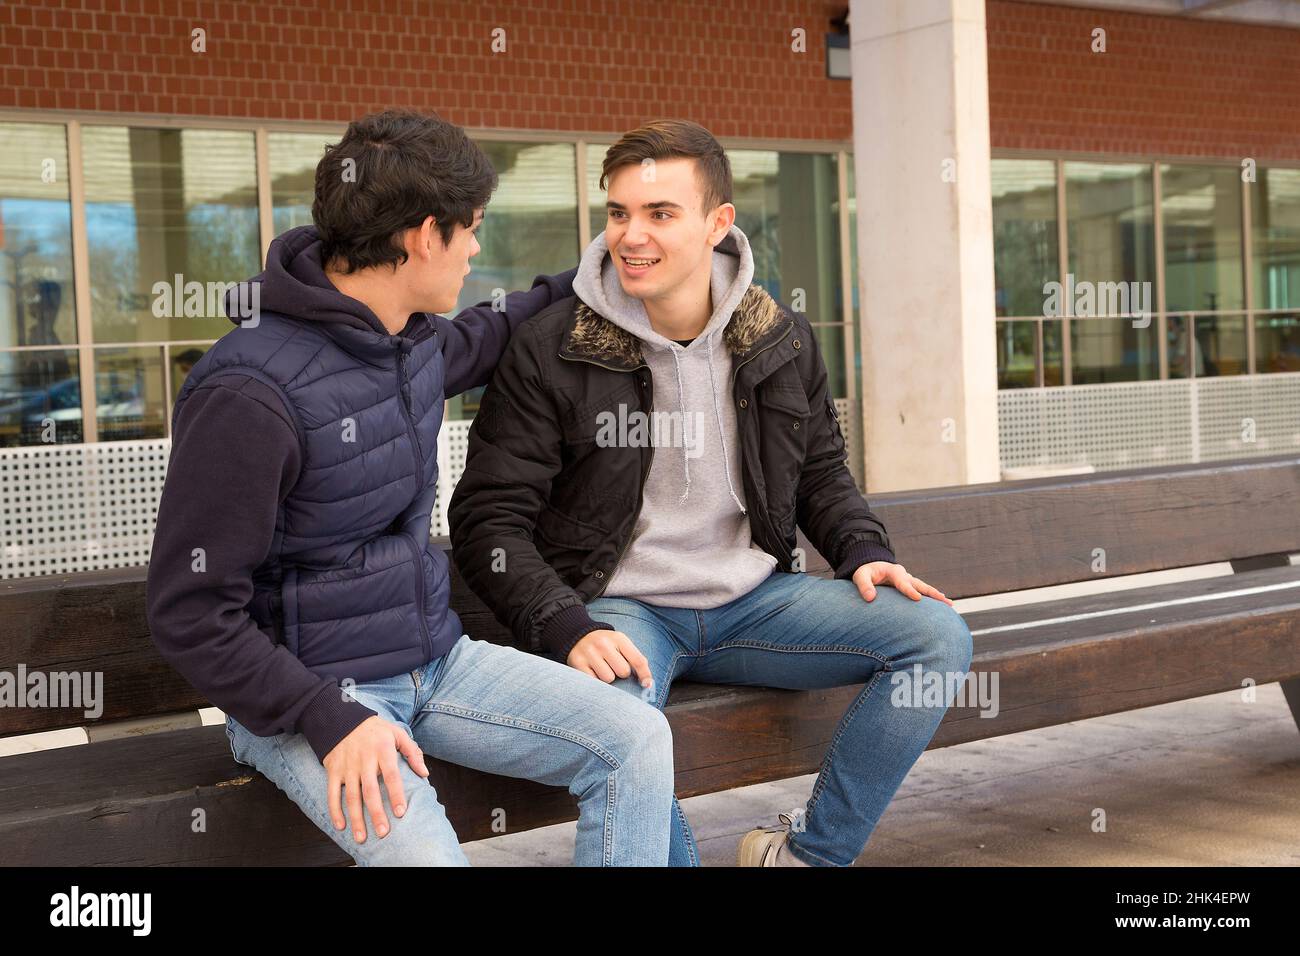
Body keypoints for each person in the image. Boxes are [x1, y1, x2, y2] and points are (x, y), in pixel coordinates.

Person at [146, 109, 674, 866]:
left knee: (635, 739)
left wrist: (617, 259)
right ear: (427, 235)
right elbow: (188, 611)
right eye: (474, 229)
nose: (478, 248)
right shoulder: (247, 393)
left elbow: (499, 326)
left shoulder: (408, 343)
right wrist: (322, 715)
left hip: (438, 661)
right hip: (308, 699)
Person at [449, 119, 973, 867]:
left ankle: (805, 856)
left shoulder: (776, 336)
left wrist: (861, 547)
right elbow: (487, 519)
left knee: (936, 636)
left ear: (718, 223)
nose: (632, 236)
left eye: (660, 214)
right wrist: (566, 624)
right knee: (617, 727)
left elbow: (820, 468)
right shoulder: (553, 346)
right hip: (621, 609)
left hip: (753, 602)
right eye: (619, 213)